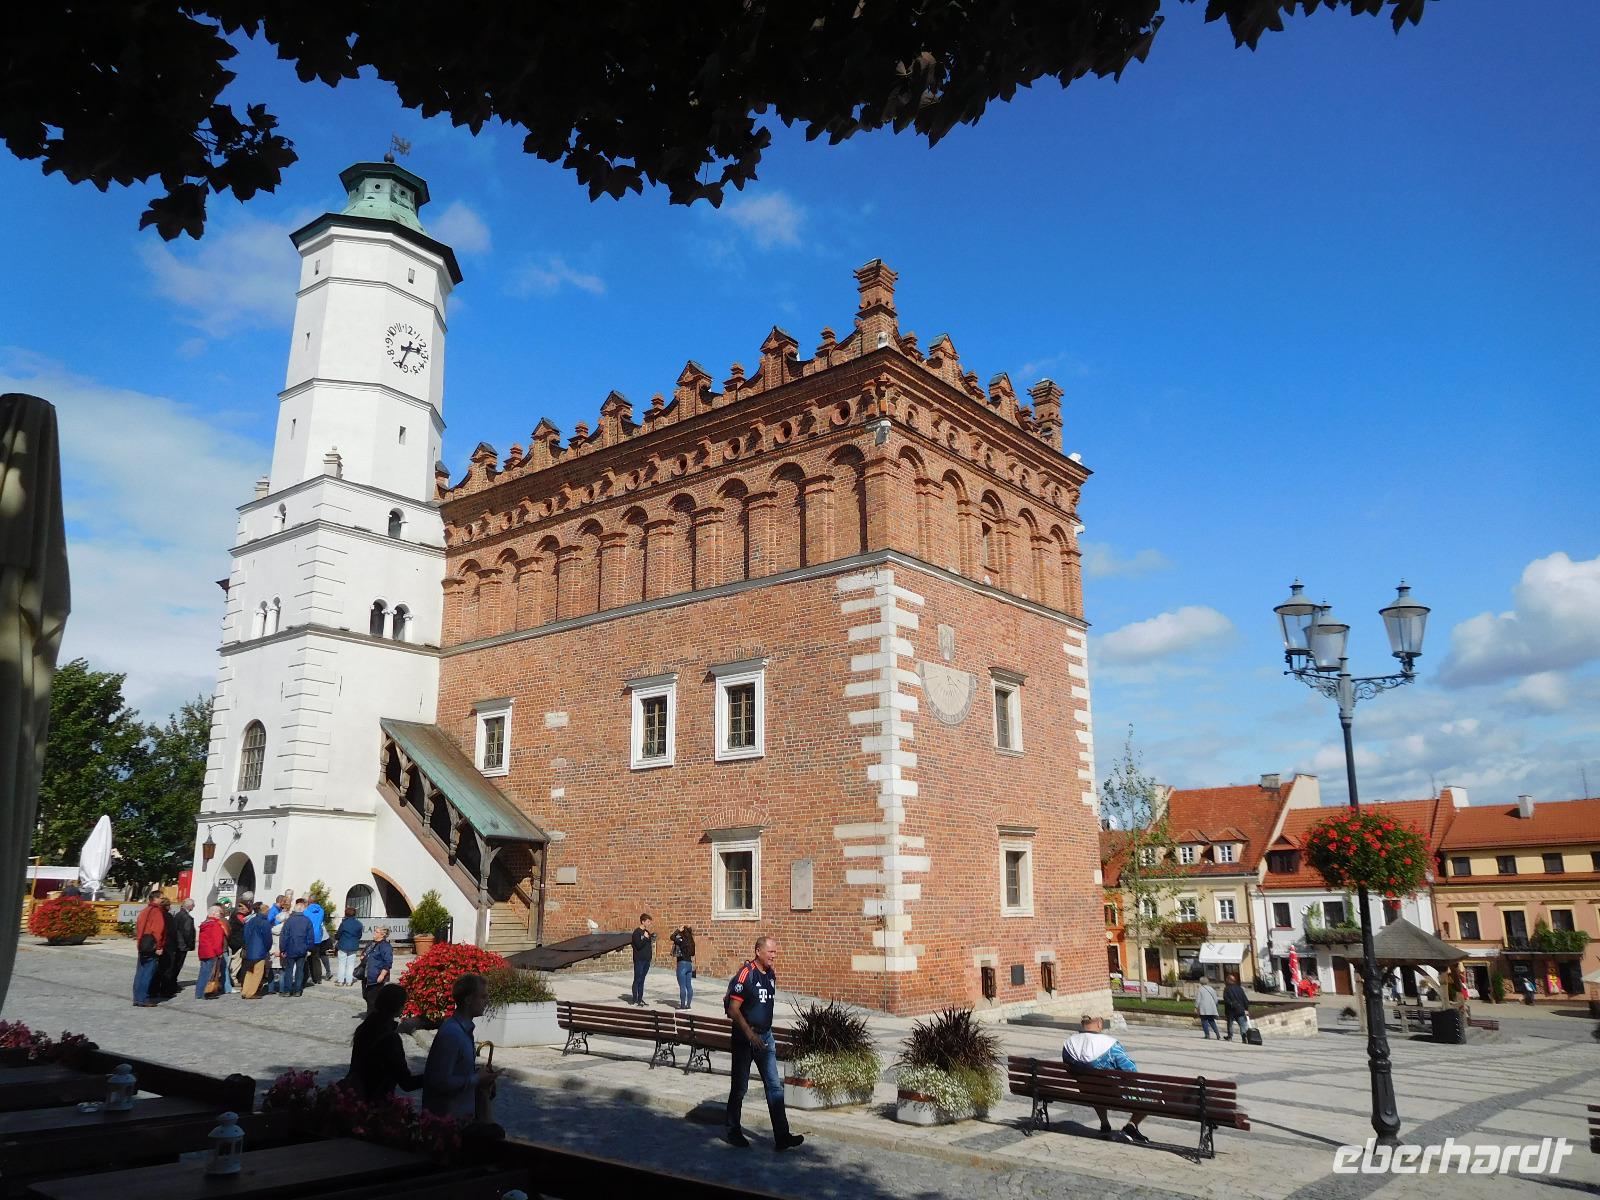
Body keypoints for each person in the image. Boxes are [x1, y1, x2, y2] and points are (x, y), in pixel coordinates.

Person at [724, 935, 803, 1152]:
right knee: (740, 1087)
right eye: (771, 952)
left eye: (775, 952)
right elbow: (733, 1009)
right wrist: (749, 1034)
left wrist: (763, 1033)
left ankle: (782, 1136)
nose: (774, 956)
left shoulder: (770, 975)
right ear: (758, 951)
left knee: (774, 1087)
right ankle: (733, 1131)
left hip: (765, 1037)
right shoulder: (746, 974)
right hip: (745, 1039)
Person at [1062, 1014, 1149, 1143]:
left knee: (1095, 1086)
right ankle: (1131, 1126)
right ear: (1099, 1023)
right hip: (1117, 1093)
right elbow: (1131, 1071)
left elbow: (1069, 1069)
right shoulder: (1110, 1044)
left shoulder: (1069, 1044)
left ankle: (1105, 1124)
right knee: (1155, 1096)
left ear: (1082, 1023)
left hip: (1089, 1091)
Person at [422, 973, 499, 1120]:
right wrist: (476, 1078)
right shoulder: (452, 1034)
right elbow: (440, 1081)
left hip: (461, 1118)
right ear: (469, 999)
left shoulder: (463, 1030)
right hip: (447, 1123)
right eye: (482, 997)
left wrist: (481, 1077)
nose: (486, 1001)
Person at [345, 983, 423, 1100]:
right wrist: (433, 1077)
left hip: (355, 1094)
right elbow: (406, 1083)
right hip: (375, 1101)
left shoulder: (366, 1026)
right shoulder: (390, 1038)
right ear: (399, 1008)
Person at [133, 890, 166, 1007]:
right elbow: (158, 931)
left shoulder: (144, 911)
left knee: (140, 973)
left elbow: (138, 928)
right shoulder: (156, 912)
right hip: (151, 946)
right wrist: (159, 946)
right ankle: (143, 998)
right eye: (162, 898)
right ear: (155, 899)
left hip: (142, 944)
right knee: (147, 973)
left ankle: (137, 998)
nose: (163, 900)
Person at [278, 898, 314, 997]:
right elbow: (311, 937)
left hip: (290, 948)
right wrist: (309, 948)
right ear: (303, 910)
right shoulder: (307, 921)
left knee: (289, 970)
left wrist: (283, 949)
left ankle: (287, 990)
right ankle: (298, 990)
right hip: (302, 948)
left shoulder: (289, 920)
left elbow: (284, 935)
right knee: (300, 970)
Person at [194, 905, 228, 999]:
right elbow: (217, 941)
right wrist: (219, 953)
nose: (220, 915)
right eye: (219, 913)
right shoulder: (215, 925)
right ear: (214, 913)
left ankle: (199, 993)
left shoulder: (205, 923)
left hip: (204, 951)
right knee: (209, 973)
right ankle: (206, 992)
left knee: (203, 973)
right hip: (212, 952)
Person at [241, 902, 272, 999]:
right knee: (257, 973)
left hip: (250, 949)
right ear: (266, 912)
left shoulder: (251, 920)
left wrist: (246, 946)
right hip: (260, 950)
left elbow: (245, 935)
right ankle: (251, 992)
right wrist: (267, 948)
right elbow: (267, 938)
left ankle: (245, 991)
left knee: (249, 971)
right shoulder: (265, 923)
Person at [362, 926, 394, 1014]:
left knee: (372, 1000)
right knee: (366, 996)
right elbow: (364, 953)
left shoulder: (385, 946)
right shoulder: (371, 944)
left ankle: (371, 1020)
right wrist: (363, 957)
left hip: (376, 976)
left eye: (376, 932)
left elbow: (388, 962)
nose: (374, 933)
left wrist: (382, 975)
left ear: (382, 934)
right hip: (366, 975)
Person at [169, 897, 197, 994]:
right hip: (182, 945)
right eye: (193, 905)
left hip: (177, 943)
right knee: (177, 965)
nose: (194, 907)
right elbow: (187, 932)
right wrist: (190, 944)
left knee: (174, 965)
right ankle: (172, 984)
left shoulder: (179, 914)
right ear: (189, 906)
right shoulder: (186, 917)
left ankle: (172, 983)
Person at [335, 906, 365, 987]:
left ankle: (341, 981)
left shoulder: (344, 923)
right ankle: (349, 981)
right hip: (353, 945)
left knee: (342, 964)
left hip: (343, 945)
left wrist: (337, 938)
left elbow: (338, 934)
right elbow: (359, 936)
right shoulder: (359, 924)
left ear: (346, 914)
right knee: (351, 964)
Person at [630, 913, 655, 1006]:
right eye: (648, 922)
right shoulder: (636, 932)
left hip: (646, 960)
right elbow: (638, 945)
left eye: (650, 922)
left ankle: (640, 999)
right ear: (642, 921)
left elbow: (648, 946)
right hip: (639, 960)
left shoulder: (647, 932)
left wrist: (650, 937)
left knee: (642, 980)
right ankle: (634, 999)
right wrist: (644, 938)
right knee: (637, 979)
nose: (649, 923)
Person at [304, 893, 329, 987]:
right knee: (316, 958)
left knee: (307, 958)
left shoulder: (306, 911)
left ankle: (309, 976)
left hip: (308, 936)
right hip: (318, 936)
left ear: (310, 901)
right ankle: (318, 978)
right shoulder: (321, 911)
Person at [671, 924, 696, 1010]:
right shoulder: (691, 941)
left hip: (682, 964)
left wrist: (678, 930)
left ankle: (682, 1005)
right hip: (689, 964)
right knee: (689, 986)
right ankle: (688, 1005)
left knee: (682, 986)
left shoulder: (681, 940)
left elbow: (672, 937)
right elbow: (693, 953)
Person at [1222, 973, 1251, 1041]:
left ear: (1229, 980)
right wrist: (1246, 1008)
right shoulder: (1239, 988)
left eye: (1226, 980)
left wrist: (1231, 1004)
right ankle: (1244, 1037)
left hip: (1231, 1010)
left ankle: (1230, 1036)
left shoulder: (1227, 989)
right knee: (1242, 1024)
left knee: (1230, 1023)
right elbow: (1245, 999)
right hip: (1240, 1009)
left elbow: (1226, 999)